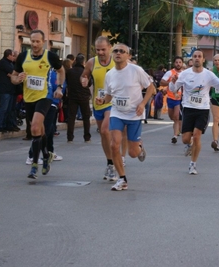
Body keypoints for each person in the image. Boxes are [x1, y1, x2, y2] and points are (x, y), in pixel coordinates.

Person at [95, 43, 154, 190]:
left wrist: (142, 104)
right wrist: (102, 100)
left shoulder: (136, 70)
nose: (118, 53)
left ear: (128, 55)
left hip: (134, 114)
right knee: (114, 144)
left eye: (122, 51)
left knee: (133, 153)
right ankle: (122, 179)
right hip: (117, 113)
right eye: (116, 51)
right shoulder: (110, 75)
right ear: (112, 53)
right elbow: (109, 95)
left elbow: (151, 88)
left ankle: (139, 146)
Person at [11, 29, 65, 179]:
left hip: (45, 96)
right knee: (38, 130)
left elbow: (62, 71)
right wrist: (18, 78)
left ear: (43, 42)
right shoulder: (23, 57)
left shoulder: (50, 56)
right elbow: (13, 77)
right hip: (29, 98)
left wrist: (59, 87)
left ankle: (34, 164)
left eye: (37, 41)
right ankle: (46, 155)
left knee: (35, 126)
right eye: (32, 41)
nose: (35, 44)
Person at [170, 49, 219, 174]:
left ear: (203, 59)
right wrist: (172, 82)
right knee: (185, 139)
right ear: (192, 59)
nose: (197, 58)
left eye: (199, 56)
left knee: (197, 136)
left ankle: (193, 164)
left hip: (202, 109)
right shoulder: (185, 74)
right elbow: (174, 89)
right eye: (195, 56)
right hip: (188, 109)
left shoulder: (208, 74)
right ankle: (189, 143)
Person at [81, 36, 117, 181]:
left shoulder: (117, 62)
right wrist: (83, 80)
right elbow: (84, 76)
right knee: (104, 135)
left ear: (109, 47)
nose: (101, 52)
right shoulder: (91, 63)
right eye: (98, 50)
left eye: (103, 49)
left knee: (104, 130)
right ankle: (110, 163)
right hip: (98, 104)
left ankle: (115, 162)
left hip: (113, 104)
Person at [66, 54, 92, 143]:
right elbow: (89, 83)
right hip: (84, 96)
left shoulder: (69, 72)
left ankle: (70, 137)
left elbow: (67, 82)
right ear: (83, 62)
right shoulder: (86, 72)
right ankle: (87, 137)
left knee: (71, 117)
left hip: (72, 96)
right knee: (86, 117)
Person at [160, 56, 184, 144]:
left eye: (180, 62)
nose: (178, 64)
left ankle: (175, 136)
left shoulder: (184, 74)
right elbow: (162, 82)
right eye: (176, 62)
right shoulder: (170, 73)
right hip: (170, 98)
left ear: (182, 63)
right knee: (172, 117)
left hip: (179, 98)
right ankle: (177, 127)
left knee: (177, 117)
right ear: (174, 64)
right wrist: (171, 83)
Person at [0, 49, 20, 133]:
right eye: (13, 55)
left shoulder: (11, 63)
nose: (14, 57)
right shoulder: (3, 63)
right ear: (8, 55)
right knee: (4, 108)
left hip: (11, 90)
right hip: (4, 89)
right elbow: (13, 73)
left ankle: (8, 125)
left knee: (10, 109)